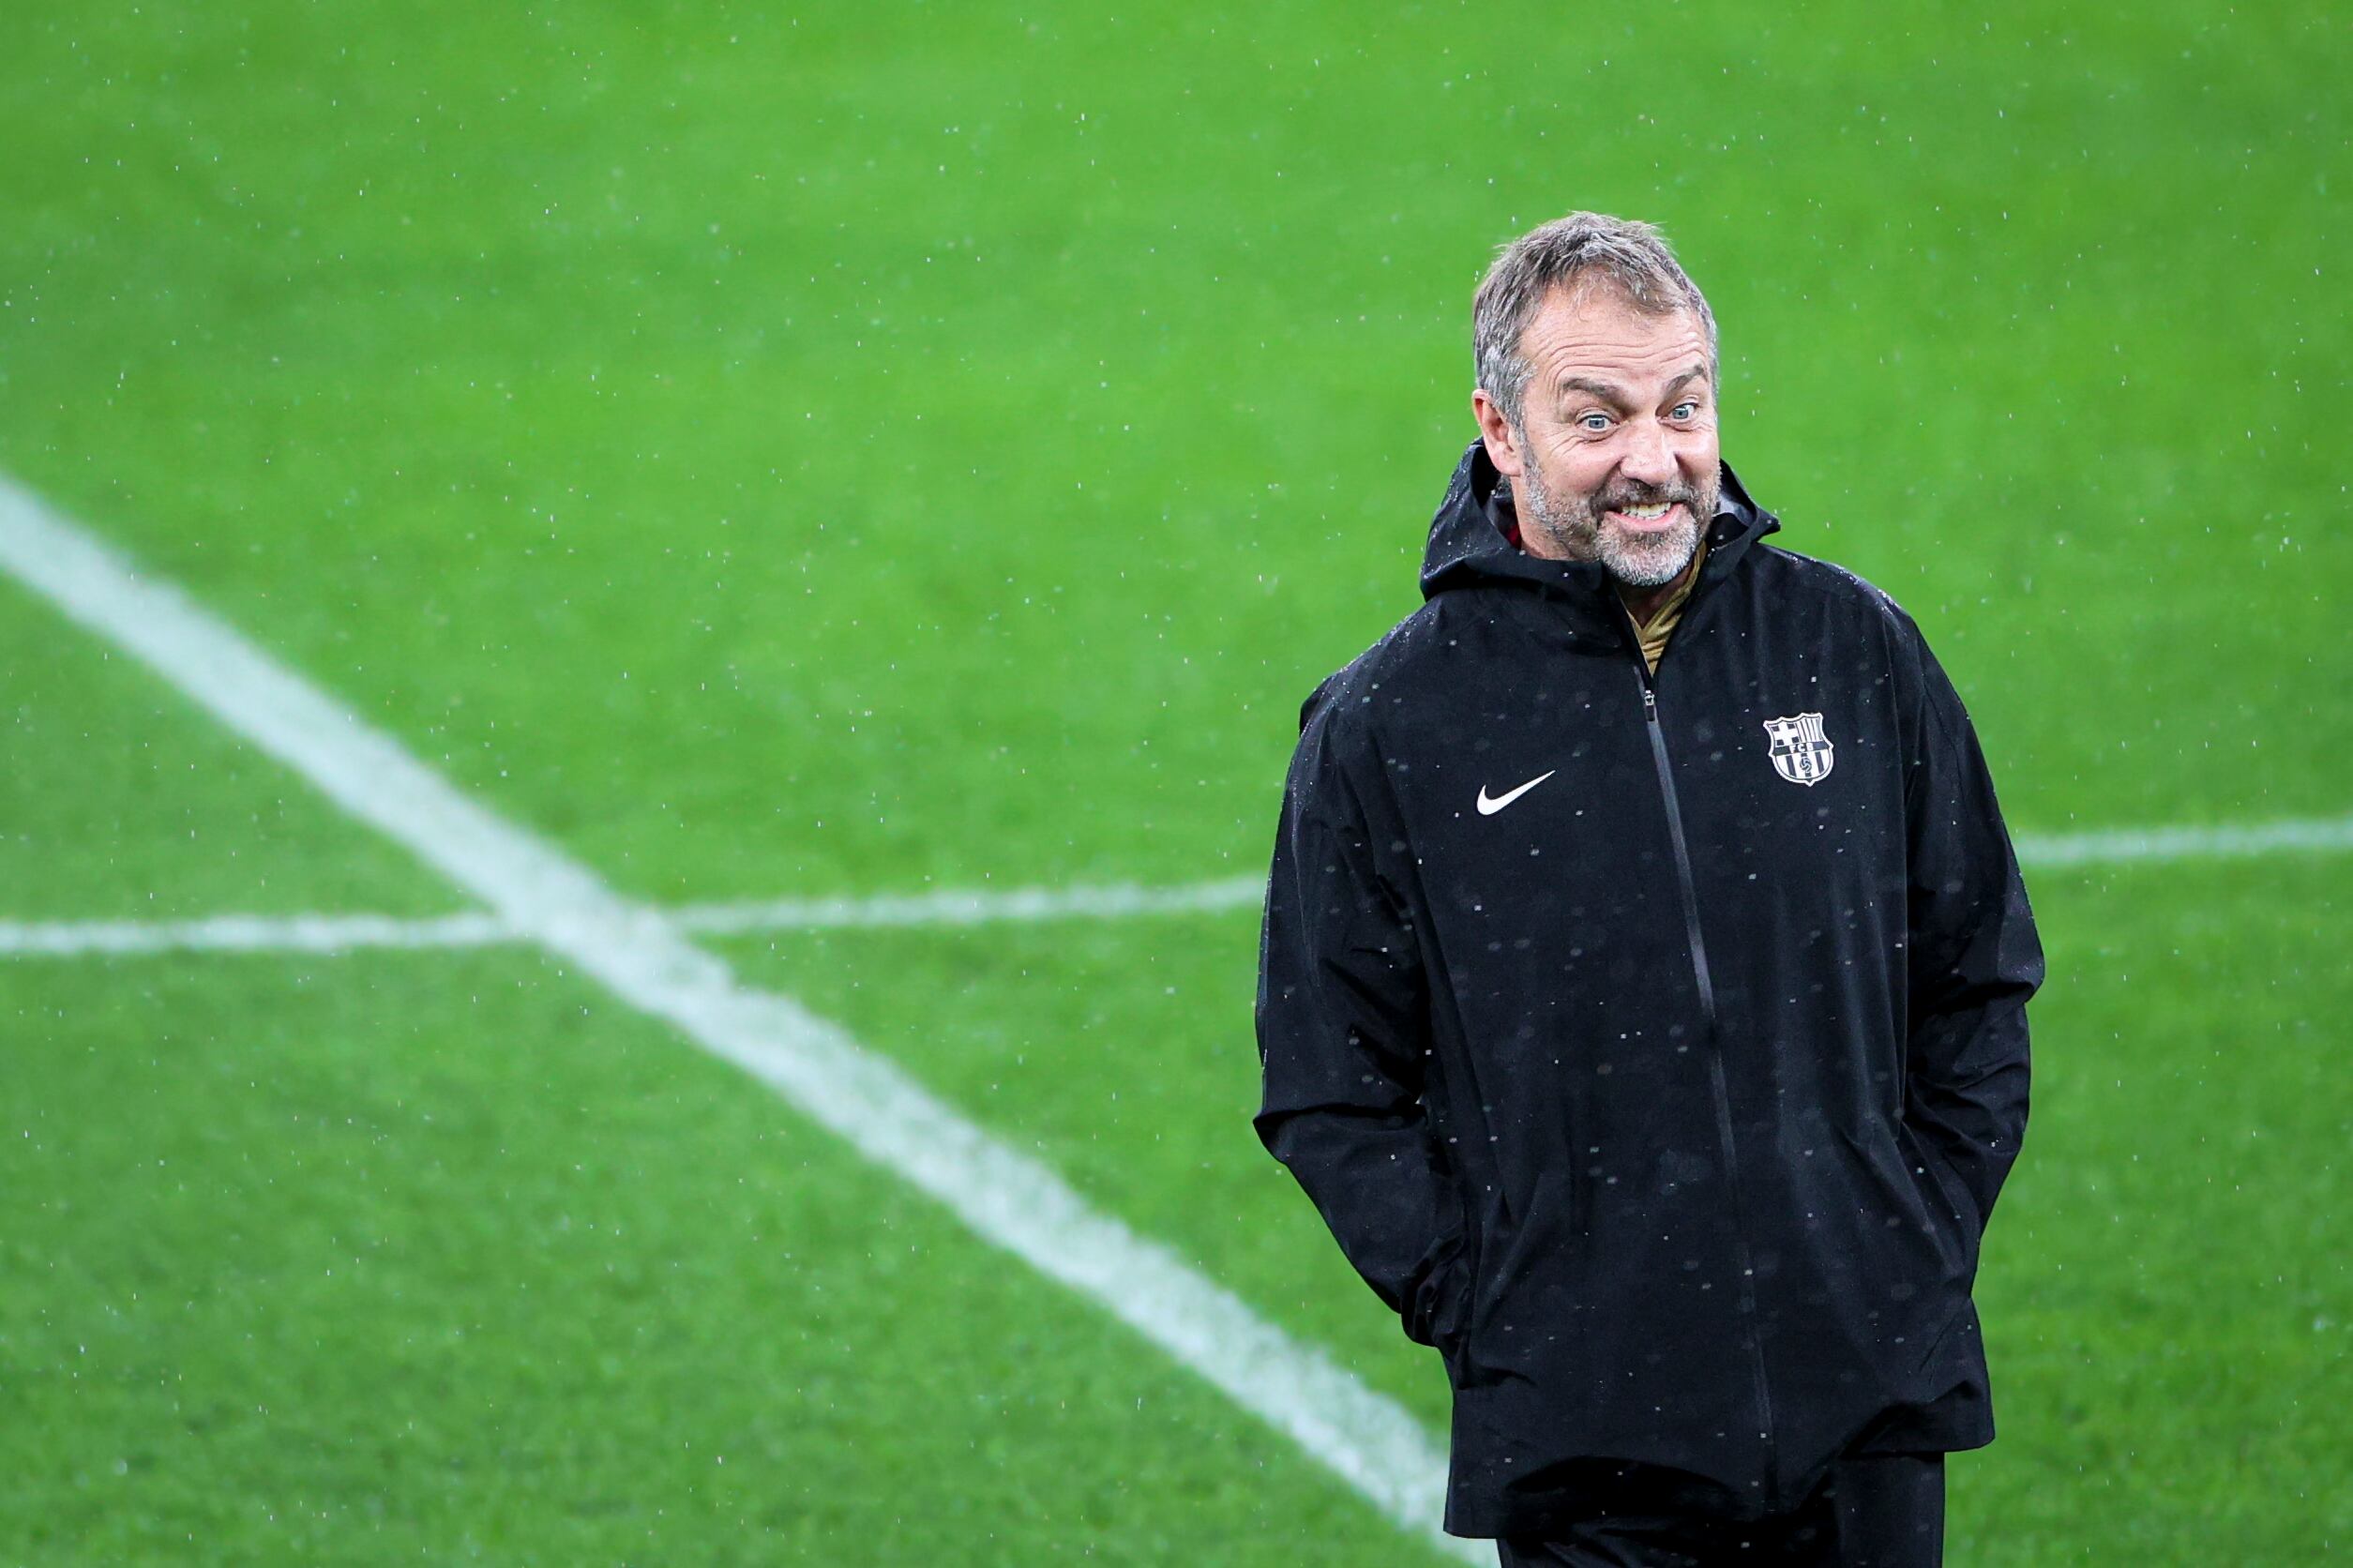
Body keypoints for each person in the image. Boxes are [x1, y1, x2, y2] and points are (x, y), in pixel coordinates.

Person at [1252, 212, 2043, 1565]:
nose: (1653, 460)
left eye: (1683, 406)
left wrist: (1902, 1236)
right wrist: (1491, 1297)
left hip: (1866, 1400)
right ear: (1500, 432)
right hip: (1584, 1445)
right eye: (1596, 416)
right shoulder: (1393, 724)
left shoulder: (1851, 648)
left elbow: (1973, 975)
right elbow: (1330, 1081)